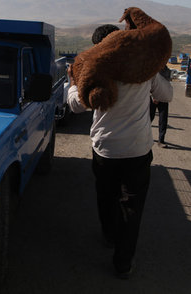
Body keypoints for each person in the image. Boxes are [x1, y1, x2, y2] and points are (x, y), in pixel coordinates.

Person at [67, 24, 173, 279]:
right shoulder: (143, 70)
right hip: (137, 151)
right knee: (132, 207)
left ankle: (109, 235)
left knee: (106, 196)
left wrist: (72, 84)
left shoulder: (94, 69)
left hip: (105, 150)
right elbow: (166, 95)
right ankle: (123, 263)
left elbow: (74, 106)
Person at [150, 65, 172, 147]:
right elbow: (150, 84)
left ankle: (161, 140)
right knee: (149, 118)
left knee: (163, 120)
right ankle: (143, 137)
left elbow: (166, 85)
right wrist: (153, 96)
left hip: (163, 99)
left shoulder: (168, 71)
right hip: (153, 99)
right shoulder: (154, 70)